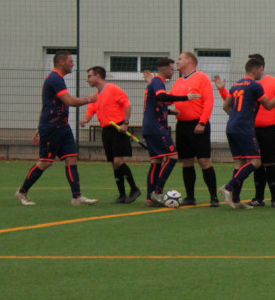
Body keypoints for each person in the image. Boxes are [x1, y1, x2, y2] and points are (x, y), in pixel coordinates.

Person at [15, 51, 99, 206]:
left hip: (63, 127)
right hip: (52, 127)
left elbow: (46, 105)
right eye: (70, 61)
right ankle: (22, 192)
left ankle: (77, 196)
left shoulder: (58, 79)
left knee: (72, 159)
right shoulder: (54, 78)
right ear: (61, 62)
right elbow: (69, 101)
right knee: (46, 162)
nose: (73, 64)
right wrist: (90, 99)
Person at [214, 59, 275, 209]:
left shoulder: (236, 85)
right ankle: (228, 187)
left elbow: (226, 105)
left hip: (231, 127)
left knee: (239, 162)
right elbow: (269, 105)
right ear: (254, 71)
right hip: (245, 128)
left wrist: (236, 116)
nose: (261, 73)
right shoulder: (255, 85)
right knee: (256, 162)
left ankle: (236, 200)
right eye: (260, 70)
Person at [141, 57, 199, 205]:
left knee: (156, 161)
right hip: (156, 127)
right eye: (172, 69)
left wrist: (170, 111)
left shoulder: (154, 82)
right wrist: (186, 97)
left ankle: (150, 197)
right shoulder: (158, 81)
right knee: (172, 157)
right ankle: (157, 192)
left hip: (150, 126)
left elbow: (155, 102)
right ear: (165, 69)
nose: (174, 71)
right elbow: (161, 96)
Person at [80, 65, 140, 204]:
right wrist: (85, 120)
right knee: (114, 164)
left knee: (118, 161)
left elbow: (127, 104)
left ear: (98, 76)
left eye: (90, 76)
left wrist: (125, 123)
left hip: (118, 129)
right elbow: (92, 109)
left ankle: (134, 188)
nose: (88, 79)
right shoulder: (96, 95)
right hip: (106, 130)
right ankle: (122, 195)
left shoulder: (112, 89)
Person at [169, 51, 219, 207]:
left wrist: (202, 122)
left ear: (190, 61)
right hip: (182, 126)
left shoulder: (202, 78)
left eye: (180, 59)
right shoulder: (178, 82)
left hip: (197, 125)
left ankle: (214, 197)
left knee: (204, 161)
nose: (177, 62)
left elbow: (208, 101)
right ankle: (190, 197)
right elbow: (170, 99)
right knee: (187, 161)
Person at [247, 54, 275, 208]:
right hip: (252, 130)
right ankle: (258, 197)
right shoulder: (248, 84)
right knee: (256, 163)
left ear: (260, 67)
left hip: (270, 129)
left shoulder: (273, 82)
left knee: (270, 164)